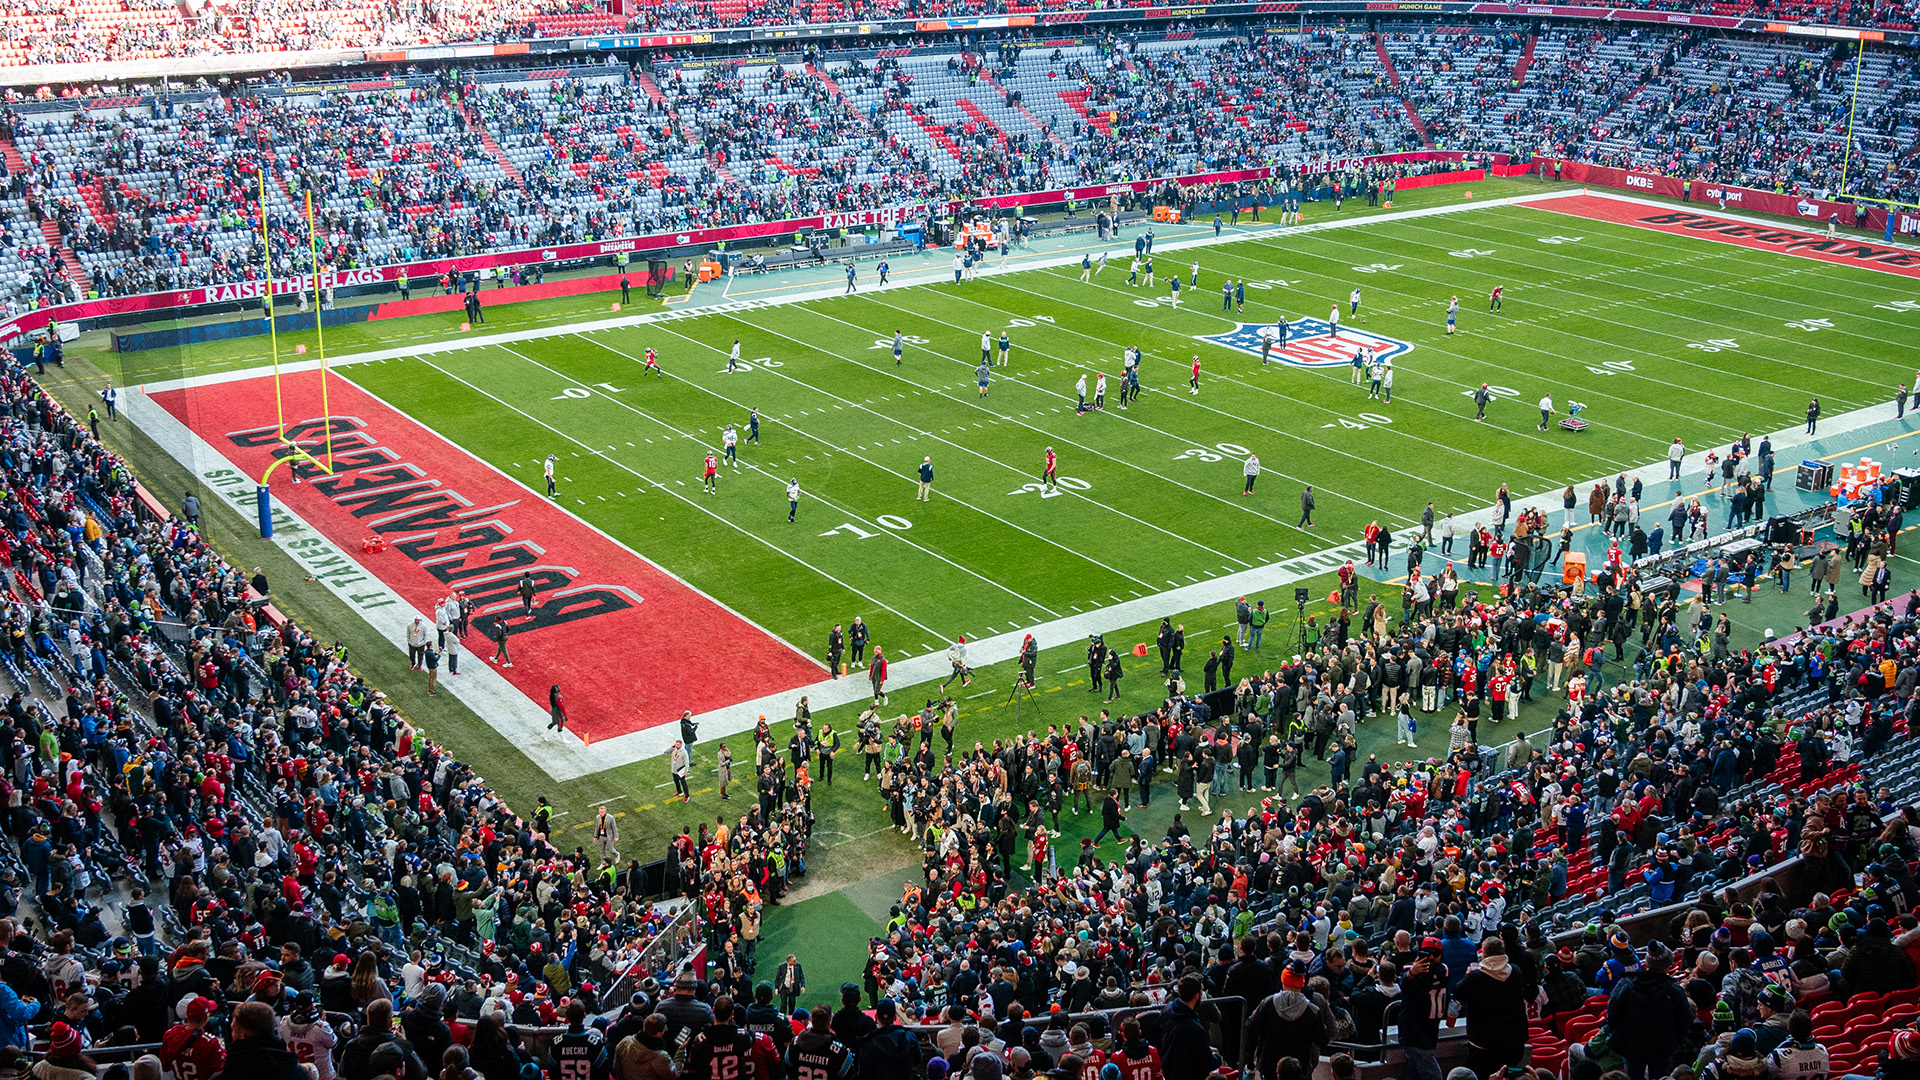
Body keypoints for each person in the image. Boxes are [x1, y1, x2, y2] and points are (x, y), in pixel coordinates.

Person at [1452, 937, 1528, 1079]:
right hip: (1514, 1042)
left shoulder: (1474, 978)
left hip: (1484, 1044)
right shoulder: (1516, 972)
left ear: (1484, 955)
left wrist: (1468, 975)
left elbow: (1457, 991)